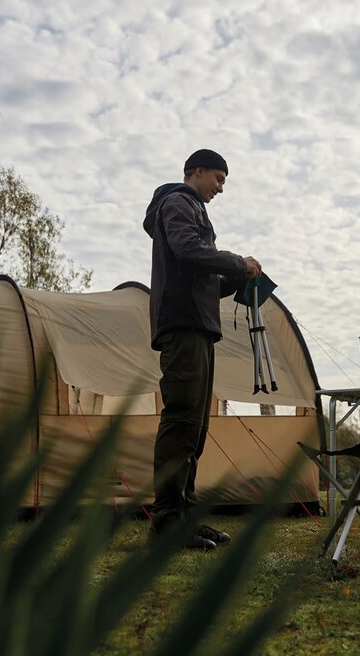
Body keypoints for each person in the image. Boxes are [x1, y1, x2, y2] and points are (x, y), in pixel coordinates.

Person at [143, 148, 262, 551]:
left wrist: (237, 279)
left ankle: (185, 516)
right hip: (183, 326)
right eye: (219, 179)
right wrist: (234, 260)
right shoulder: (178, 201)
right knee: (181, 422)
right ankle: (167, 523)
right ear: (197, 171)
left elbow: (198, 271)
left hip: (198, 325)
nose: (221, 188)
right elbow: (188, 251)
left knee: (196, 426)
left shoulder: (191, 209)